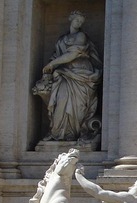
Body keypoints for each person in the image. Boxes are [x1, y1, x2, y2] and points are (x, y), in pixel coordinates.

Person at [36, 11, 102, 142]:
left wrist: (52, 64)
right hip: (64, 74)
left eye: (81, 22)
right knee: (61, 101)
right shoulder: (61, 39)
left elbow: (72, 55)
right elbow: (56, 55)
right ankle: (58, 132)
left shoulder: (81, 36)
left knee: (79, 107)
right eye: (77, 20)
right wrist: (52, 66)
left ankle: (75, 134)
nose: (79, 23)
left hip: (81, 74)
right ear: (71, 19)